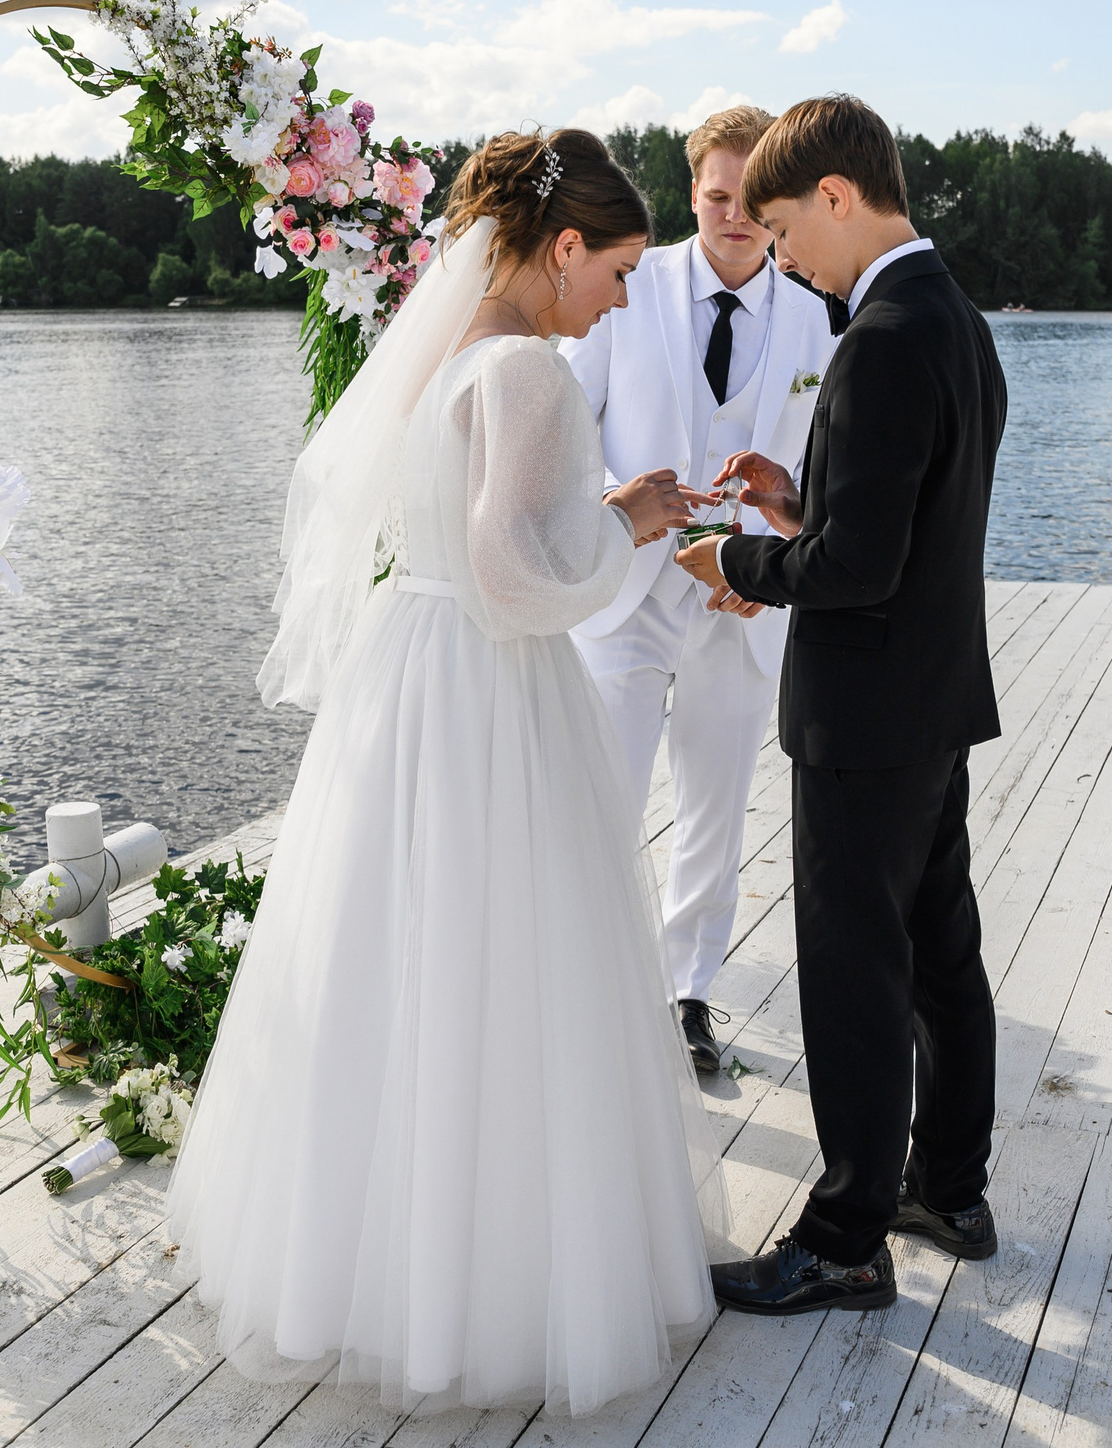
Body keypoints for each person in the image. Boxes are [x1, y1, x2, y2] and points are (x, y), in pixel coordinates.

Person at [169, 128, 729, 1416]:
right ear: (564, 244)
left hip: (407, 669)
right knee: (502, 954)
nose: (625, 295)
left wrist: (596, 517)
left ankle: (356, 1268)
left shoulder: (436, 358)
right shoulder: (527, 369)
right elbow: (516, 575)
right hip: (486, 683)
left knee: (393, 953)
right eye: (621, 266)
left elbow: (464, 543)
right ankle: (499, 1273)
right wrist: (629, 526)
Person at [674, 94, 1008, 1315]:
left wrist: (735, 561)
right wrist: (798, 498)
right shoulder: (953, 316)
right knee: (938, 957)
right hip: (931, 699)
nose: (776, 253)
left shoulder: (878, 333)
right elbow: (899, 522)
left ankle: (846, 1234)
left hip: (864, 717)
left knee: (857, 975)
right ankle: (949, 1188)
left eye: (780, 225)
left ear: (833, 196)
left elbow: (856, 571)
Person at [556, 105, 840, 1074]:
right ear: (692, 192)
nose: (732, 217)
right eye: (715, 196)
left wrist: (773, 565)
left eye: (748, 201)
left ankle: (687, 992)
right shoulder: (628, 285)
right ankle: (585, 985)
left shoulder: (812, 317)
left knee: (716, 803)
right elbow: (565, 423)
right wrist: (612, 505)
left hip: (743, 598)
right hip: (627, 588)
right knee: (606, 794)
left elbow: (817, 465)